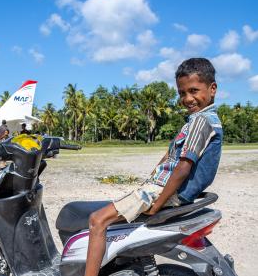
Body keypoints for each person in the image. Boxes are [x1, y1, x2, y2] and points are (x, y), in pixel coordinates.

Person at [84, 58, 223, 276]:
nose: (187, 98)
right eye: (182, 93)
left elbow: (183, 167)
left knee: (97, 220)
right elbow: (170, 157)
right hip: (159, 187)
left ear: (212, 88)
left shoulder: (201, 121)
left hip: (164, 191)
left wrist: (157, 203)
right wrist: (149, 180)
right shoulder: (200, 120)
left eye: (194, 90)